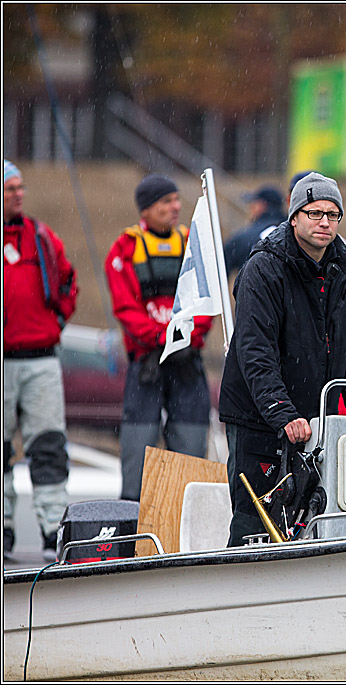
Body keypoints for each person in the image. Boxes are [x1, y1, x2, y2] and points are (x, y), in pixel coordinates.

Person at [219, 172, 346, 545]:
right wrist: (282, 412)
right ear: (294, 217)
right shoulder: (264, 267)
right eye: (314, 213)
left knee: (306, 522)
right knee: (253, 521)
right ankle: (238, 591)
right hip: (258, 418)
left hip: (315, 422)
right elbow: (255, 349)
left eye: (333, 215)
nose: (324, 222)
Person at [105, 174, 213, 501]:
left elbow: (206, 301)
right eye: (167, 201)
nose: (176, 207)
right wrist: (159, 338)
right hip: (147, 362)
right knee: (138, 447)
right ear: (147, 209)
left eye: (177, 200)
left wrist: (187, 337)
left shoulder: (192, 244)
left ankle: (188, 513)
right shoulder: (126, 248)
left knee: (192, 446)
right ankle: (134, 517)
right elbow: (125, 307)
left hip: (186, 361)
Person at [3, 159, 78, 560]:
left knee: (49, 445)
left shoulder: (40, 236)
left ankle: (53, 525)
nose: (18, 194)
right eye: (9, 188)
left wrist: (56, 320)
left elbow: (68, 281)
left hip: (41, 358)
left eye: (20, 187)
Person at [223, 183, 286, 276]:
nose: (250, 208)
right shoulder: (294, 232)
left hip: (254, 288)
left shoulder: (243, 238)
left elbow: (219, 274)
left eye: (253, 204)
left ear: (261, 206)